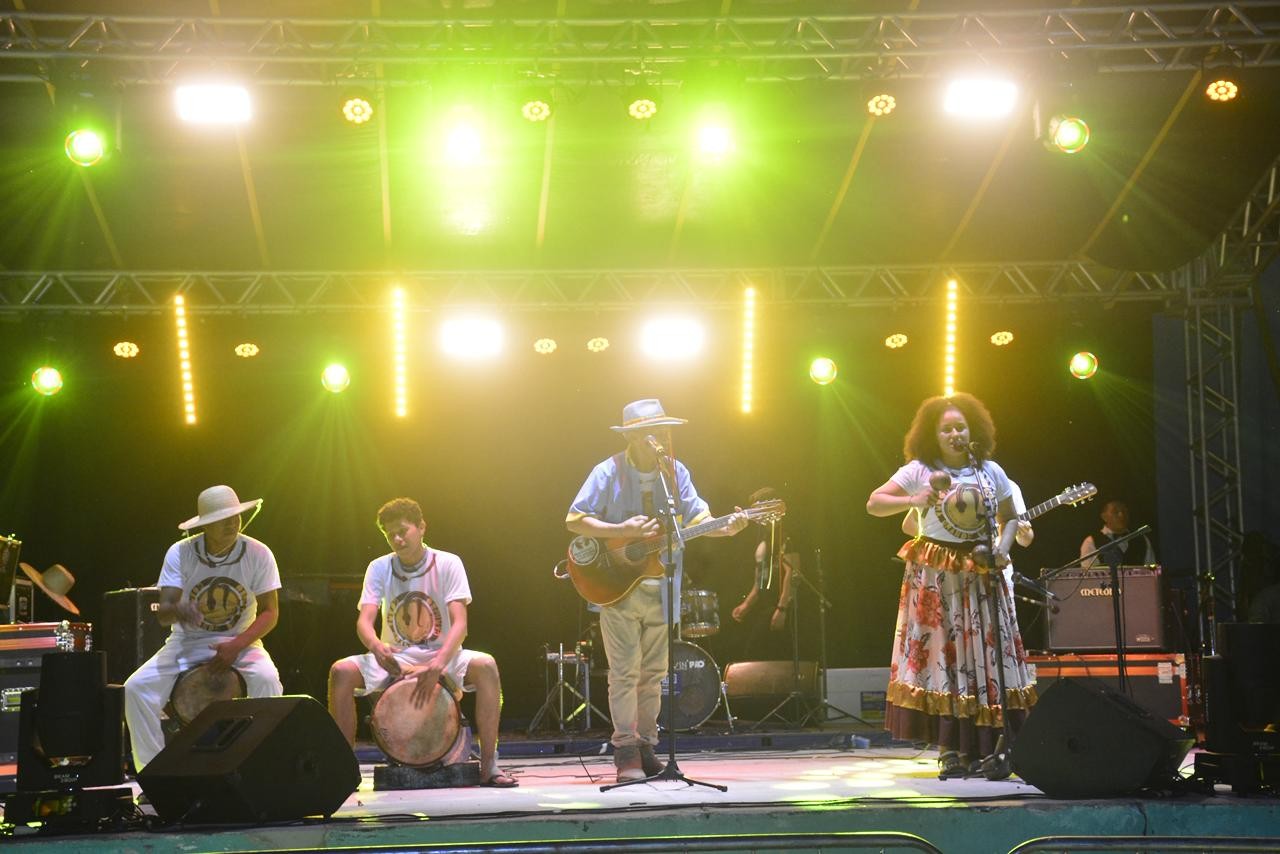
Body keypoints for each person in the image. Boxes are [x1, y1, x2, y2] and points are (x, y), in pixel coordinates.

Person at [566, 398, 747, 783]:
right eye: (652, 431)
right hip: (617, 587)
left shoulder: (674, 471)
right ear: (632, 436)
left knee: (653, 673)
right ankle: (625, 750)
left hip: (664, 586)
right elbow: (574, 519)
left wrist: (724, 526)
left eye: (663, 429)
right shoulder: (607, 471)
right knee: (625, 672)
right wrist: (622, 531)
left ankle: (648, 745)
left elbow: (698, 516)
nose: (660, 437)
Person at [866, 393, 1037, 779]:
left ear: (973, 431)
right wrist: (916, 497)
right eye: (947, 429)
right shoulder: (919, 469)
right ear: (934, 435)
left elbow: (1010, 517)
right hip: (937, 576)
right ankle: (949, 748)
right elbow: (875, 503)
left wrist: (1002, 551)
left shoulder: (990, 470)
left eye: (961, 427)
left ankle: (988, 745)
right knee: (947, 661)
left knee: (983, 661)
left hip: (981, 572)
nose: (955, 433)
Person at [327, 497, 516, 787]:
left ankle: (489, 765)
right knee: (341, 672)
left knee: (487, 666)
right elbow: (364, 621)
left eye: (403, 531)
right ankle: (343, 769)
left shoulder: (448, 562)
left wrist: (438, 664)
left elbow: (460, 624)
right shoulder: (379, 567)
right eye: (390, 534)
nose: (397, 539)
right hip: (397, 657)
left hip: (444, 654)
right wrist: (376, 646)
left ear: (422, 527)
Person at [124, 485, 283, 771]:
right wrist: (178, 611)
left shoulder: (258, 553)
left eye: (236, 515)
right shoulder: (180, 553)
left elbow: (271, 613)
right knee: (135, 689)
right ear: (205, 525)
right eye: (224, 518)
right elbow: (164, 615)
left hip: (242, 641)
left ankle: (264, 765)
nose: (233, 522)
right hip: (187, 642)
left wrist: (236, 646)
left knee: (268, 680)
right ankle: (152, 772)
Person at [731, 486, 797, 660]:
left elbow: (792, 573)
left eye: (758, 509)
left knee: (758, 653)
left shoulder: (785, 534)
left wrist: (782, 609)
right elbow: (760, 577)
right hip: (765, 606)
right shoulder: (764, 537)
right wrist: (747, 605)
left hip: (780, 607)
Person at [1079, 500, 1156, 569]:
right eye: (1115, 512)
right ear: (1104, 517)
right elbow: (1087, 575)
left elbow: (1151, 569)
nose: (1121, 515)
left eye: (1124, 511)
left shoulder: (1141, 539)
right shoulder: (1091, 541)